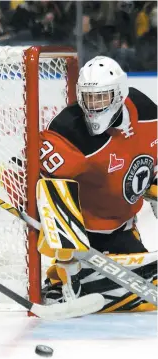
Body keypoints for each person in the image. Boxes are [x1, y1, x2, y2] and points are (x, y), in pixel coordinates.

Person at [34, 56, 157, 312]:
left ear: (120, 94)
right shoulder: (70, 131)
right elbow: (38, 182)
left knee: (149, 286)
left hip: (123, 231)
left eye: (101, 97)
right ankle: (65, 275)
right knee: (52, 188)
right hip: (85, 241)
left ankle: (88, 286)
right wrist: (61, 240)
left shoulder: (146, 112)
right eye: (88, 98)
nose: (93, 106)